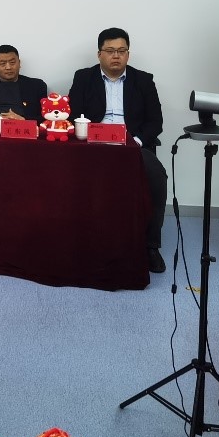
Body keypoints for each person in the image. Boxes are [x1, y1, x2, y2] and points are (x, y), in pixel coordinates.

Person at [67, 27, 170, 274]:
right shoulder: (83, 77)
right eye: (110, 51)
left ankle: (151, 246)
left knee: (157, 177)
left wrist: (136, 142)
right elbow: (73, 114)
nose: (116, 56)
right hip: (93, 145)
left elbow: (155, 122)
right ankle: (75, 239)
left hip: (132, 145)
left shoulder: (143, 80)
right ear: (99, 54)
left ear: (128, 54)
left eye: (122, 51)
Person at [0, 44, 48, 120]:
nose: (8, 67)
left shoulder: (37, 86)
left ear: (19, 63)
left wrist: (23, 120)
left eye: (12, 62)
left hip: (23, 126)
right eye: (2, 64)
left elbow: (46, 117)